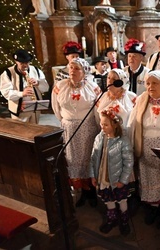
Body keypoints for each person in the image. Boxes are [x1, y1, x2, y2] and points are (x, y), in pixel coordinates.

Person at [126, 70, 160, 229]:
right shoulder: (142, 99)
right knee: (148, 177)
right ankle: (154, 207)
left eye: (154, 83)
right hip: (145, 145)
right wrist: (130, 144)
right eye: (148, 83)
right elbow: (132, 122)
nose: (150, 86)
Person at [51, 58, 101, 208]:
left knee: (88, 158)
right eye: (71, 67)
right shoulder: (60, 86)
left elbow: (97, 110)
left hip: (88, 128)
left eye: (77, 68)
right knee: (72, 158)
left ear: (84, 71)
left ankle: (91, 193)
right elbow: (55, 107)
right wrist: (66, 121)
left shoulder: (93, 87)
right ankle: (79, 192)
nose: (72, 71)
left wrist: (98, 128)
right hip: (69, 127)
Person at [89, 107, 134, 236]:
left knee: (122, 201)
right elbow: (93, 158)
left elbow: (128, 163)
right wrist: (93, 175)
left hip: (116, 179)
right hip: (103, 177)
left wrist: (123, 180)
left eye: (106, 125)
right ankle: (111, 219)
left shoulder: (123, 141)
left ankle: (124, 222)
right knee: (109, 200)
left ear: (114, 125)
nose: (102, 127)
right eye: (101, 124)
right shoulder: (99, 138)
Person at [0, 49, 49, 123]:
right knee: (21, 132)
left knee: (36, 131)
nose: (25, 65)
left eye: (27, 62)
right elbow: (6, 92)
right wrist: (21, 93)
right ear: (16, 61)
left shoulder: (36, 70)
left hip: (35, 110)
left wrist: (38, 83)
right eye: (22, 63)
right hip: (19, 112)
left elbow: (46, 88)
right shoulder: (8, 73)